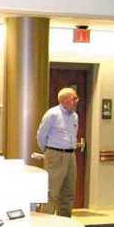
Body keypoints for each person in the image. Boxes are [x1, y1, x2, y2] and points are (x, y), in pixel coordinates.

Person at [36, 87, 79, 217]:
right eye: (74, 98)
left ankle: (64, 223)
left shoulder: (75, 116)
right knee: (51, 192)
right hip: (55, 154)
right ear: (64, 100)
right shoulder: (52, 114)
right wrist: (49, 152)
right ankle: (46, 223)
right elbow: (41, 135)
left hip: (71, 155)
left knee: (68, 192)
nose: (77, 101)